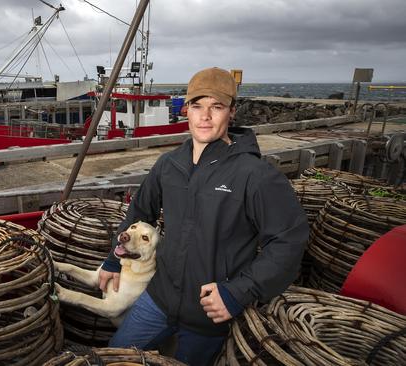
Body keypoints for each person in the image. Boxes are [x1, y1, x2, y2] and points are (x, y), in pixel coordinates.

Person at [99, 67, 309, 365]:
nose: (205, 116)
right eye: (197, 106)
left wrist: (237, 292)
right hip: (159, 296)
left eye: (217, 106)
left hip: (210, 314)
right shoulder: (169, 164)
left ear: (232, 112)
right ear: (186, 110)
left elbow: (289, 240)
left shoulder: (255, 175)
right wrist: (113, 260)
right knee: (113, 356)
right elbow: (140, 212)